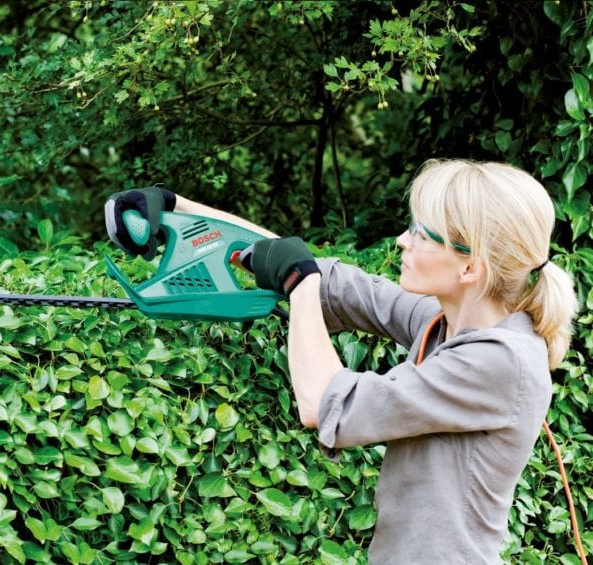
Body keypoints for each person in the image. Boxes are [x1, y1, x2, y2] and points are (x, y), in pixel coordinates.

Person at [104, 159, 578, 563]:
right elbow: (321, 276)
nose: (401, 241)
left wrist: (301, 284)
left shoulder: (499, 362)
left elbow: (326, 403)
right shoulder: (448, 322)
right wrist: (177, 209)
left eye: (420, 233)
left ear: (471, 267)